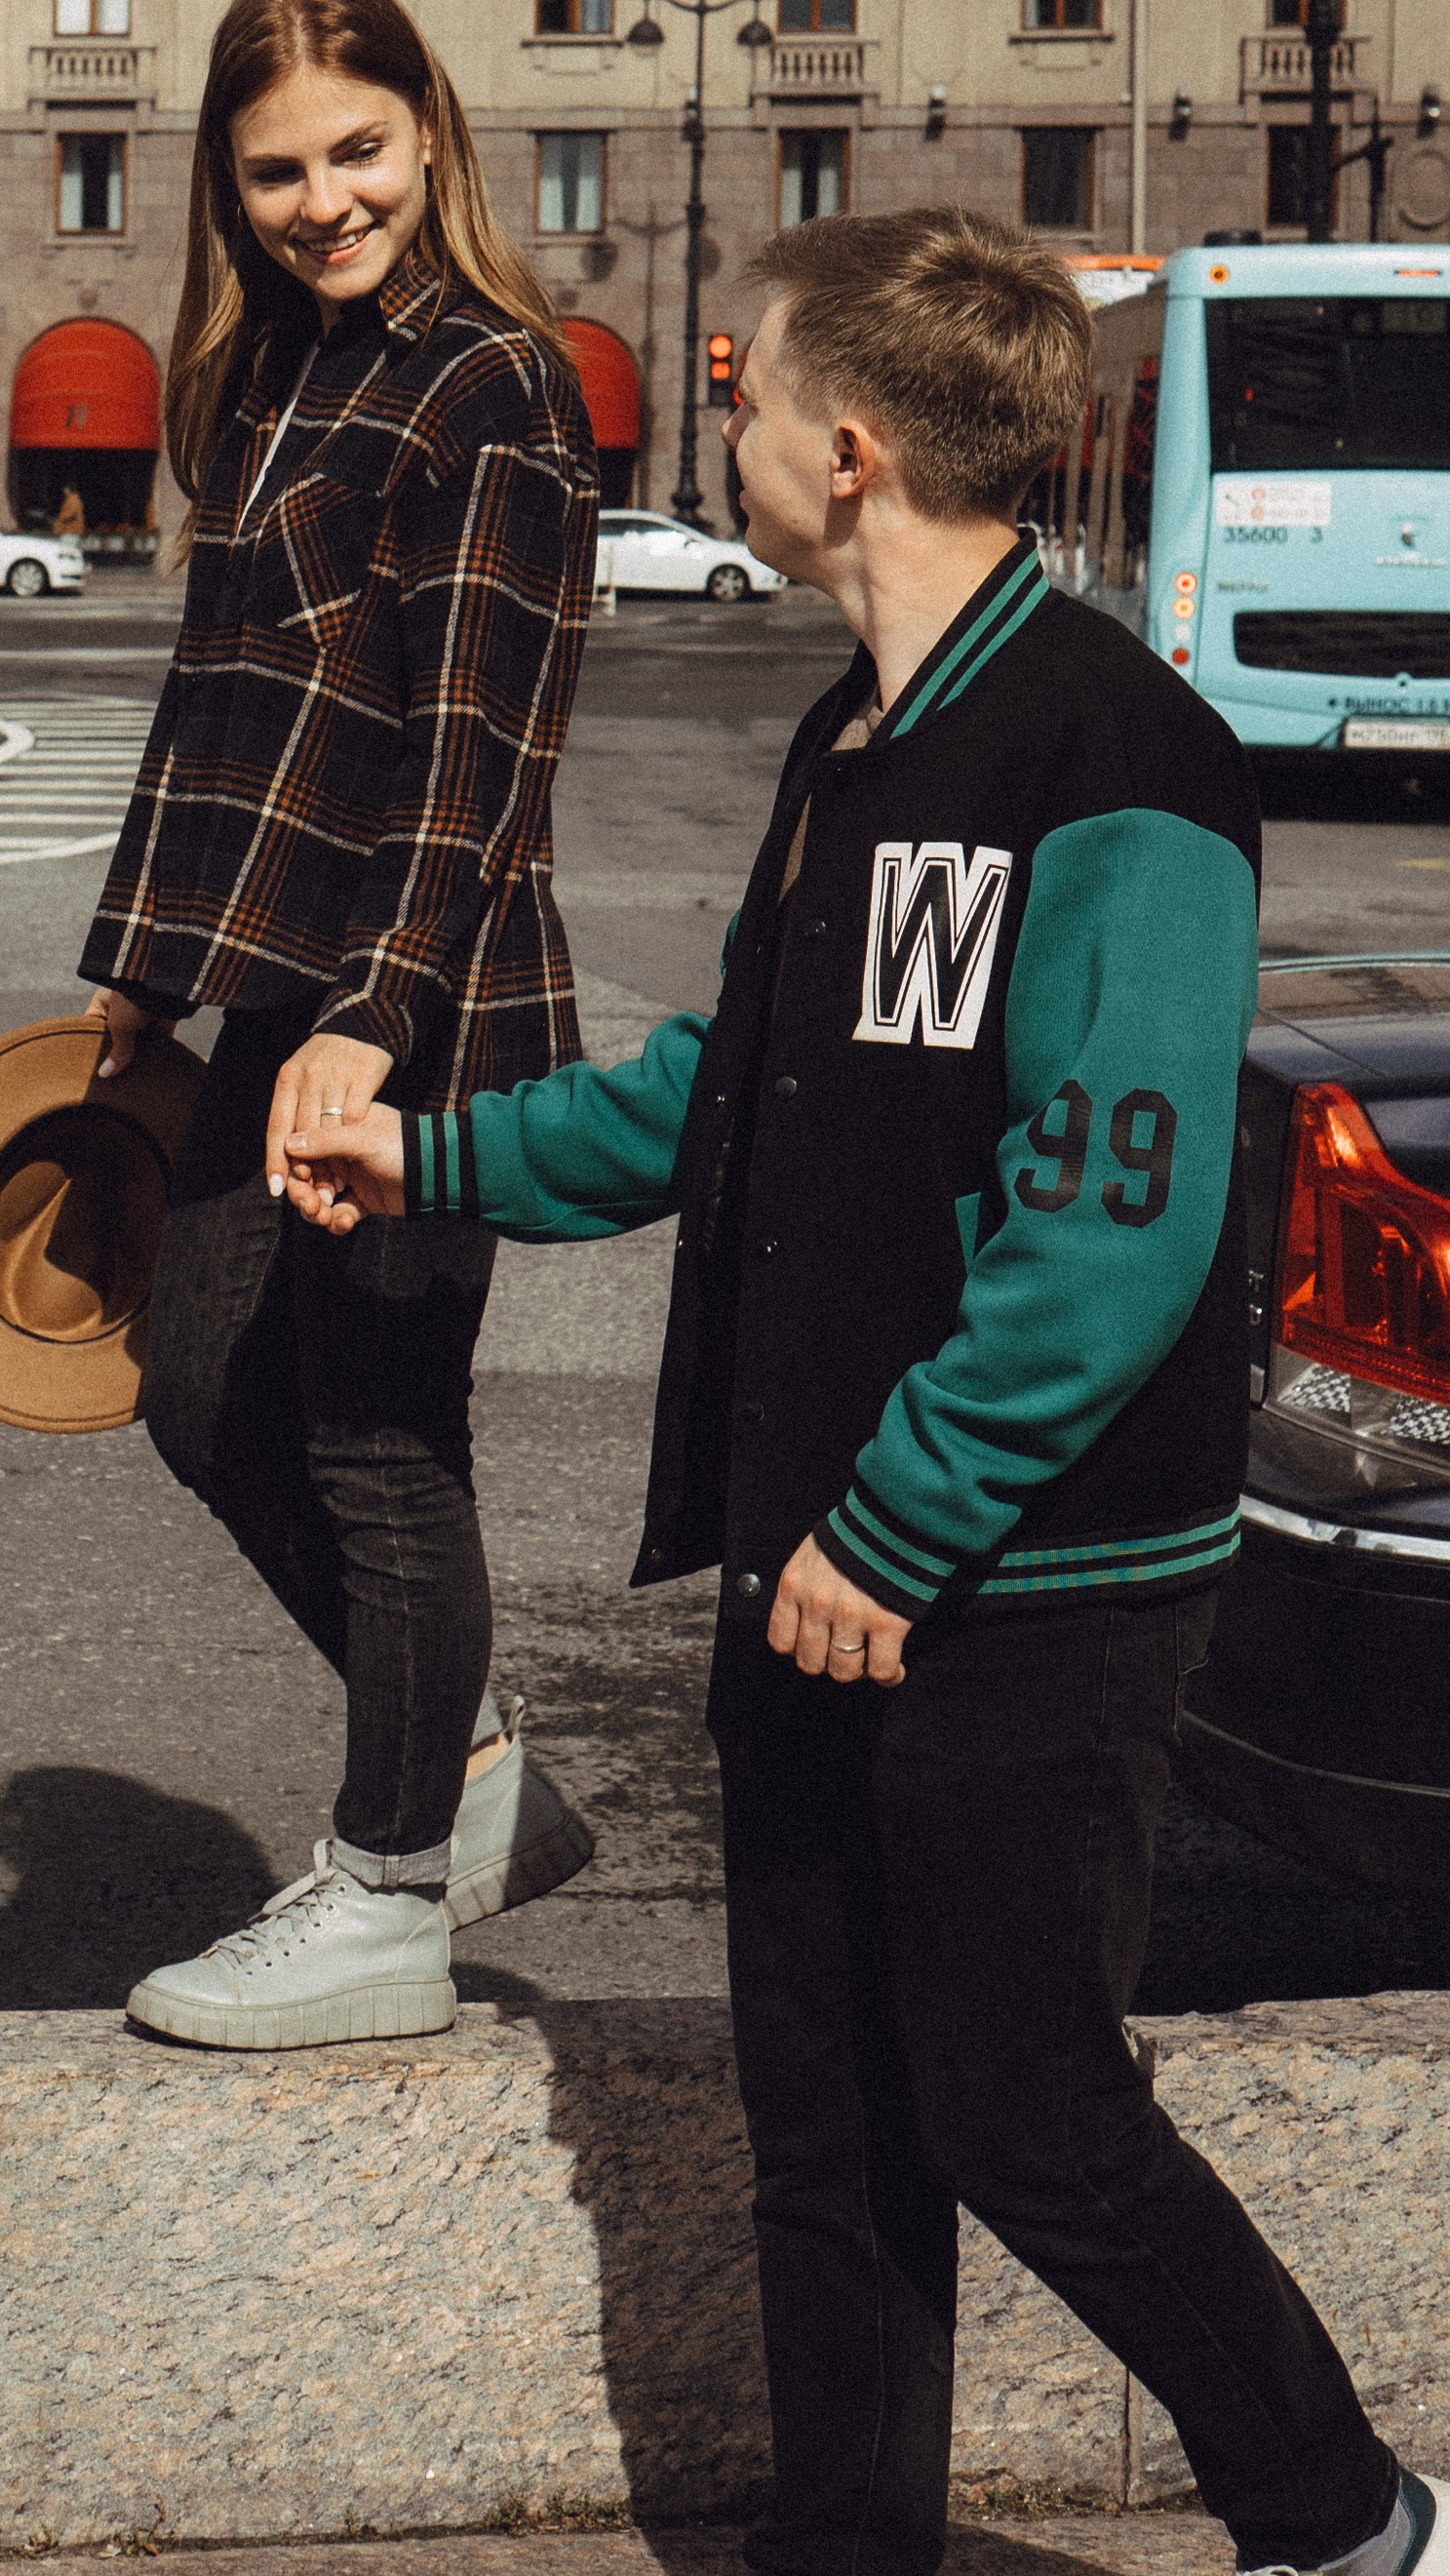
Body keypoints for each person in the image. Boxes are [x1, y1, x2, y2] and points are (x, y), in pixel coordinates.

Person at [282, 208, 1440, 2576]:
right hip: (813, 1550)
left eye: (734, 381)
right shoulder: (851, 738)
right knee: (820, 2120)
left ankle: (1350, 2523)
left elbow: (1101, 1226)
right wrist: (427, 1155)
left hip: (1019, 1574)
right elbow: (732, 1096)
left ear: (846, 438)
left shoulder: (1118, 757)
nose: (709, 417)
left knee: (1024, 2105)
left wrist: (894, 1526)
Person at [78, 0, 603, 2054]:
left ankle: (386, 1892)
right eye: (278, 167)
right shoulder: (279, 375)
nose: (323, 200)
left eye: (357, 152)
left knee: (383, 1445)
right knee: (198, 1393)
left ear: (430, 132)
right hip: (275, 991)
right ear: (224, 178)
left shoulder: (495, 381)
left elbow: (478, 756)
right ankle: (463, 1778)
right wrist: (142, 975)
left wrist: (371, 1020)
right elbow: (223, 717)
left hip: (424, 999)